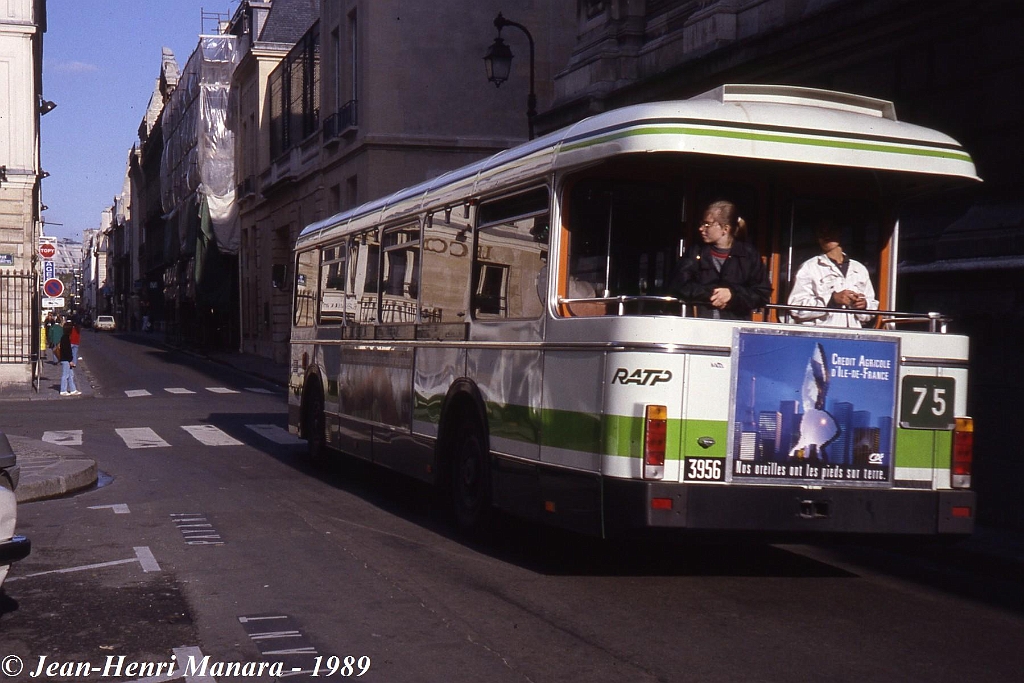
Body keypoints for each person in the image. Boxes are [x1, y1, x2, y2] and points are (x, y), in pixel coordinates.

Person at [668, 200, 772, 320]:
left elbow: (761, 293)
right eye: (702, 223)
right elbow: (678, 285)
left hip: (734, 327)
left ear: (725, 229)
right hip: (698, 326)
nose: (701, 228)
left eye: (707, 224)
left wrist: (732, 295)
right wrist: (713, 294)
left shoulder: (749, 255)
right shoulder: (695, 251)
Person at [787, 221, 878, 328]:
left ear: (840, 233)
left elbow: (872, 308)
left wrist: (864, 305)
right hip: (822, 336)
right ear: (817, 237)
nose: (826, 235)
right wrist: (831, 300)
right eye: (821, 232)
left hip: (853, 336)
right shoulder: (809, 267)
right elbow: (796, 309)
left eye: (831, 230)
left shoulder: (859, 268)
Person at [57, 321, 80, 396]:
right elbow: (67, 351)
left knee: (70, 375)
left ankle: (73, 389)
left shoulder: (64, 337)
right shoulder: (66, 338)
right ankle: (63, 390)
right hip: (66, 359)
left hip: (66, 359)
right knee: (65, 375)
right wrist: (70, 360)